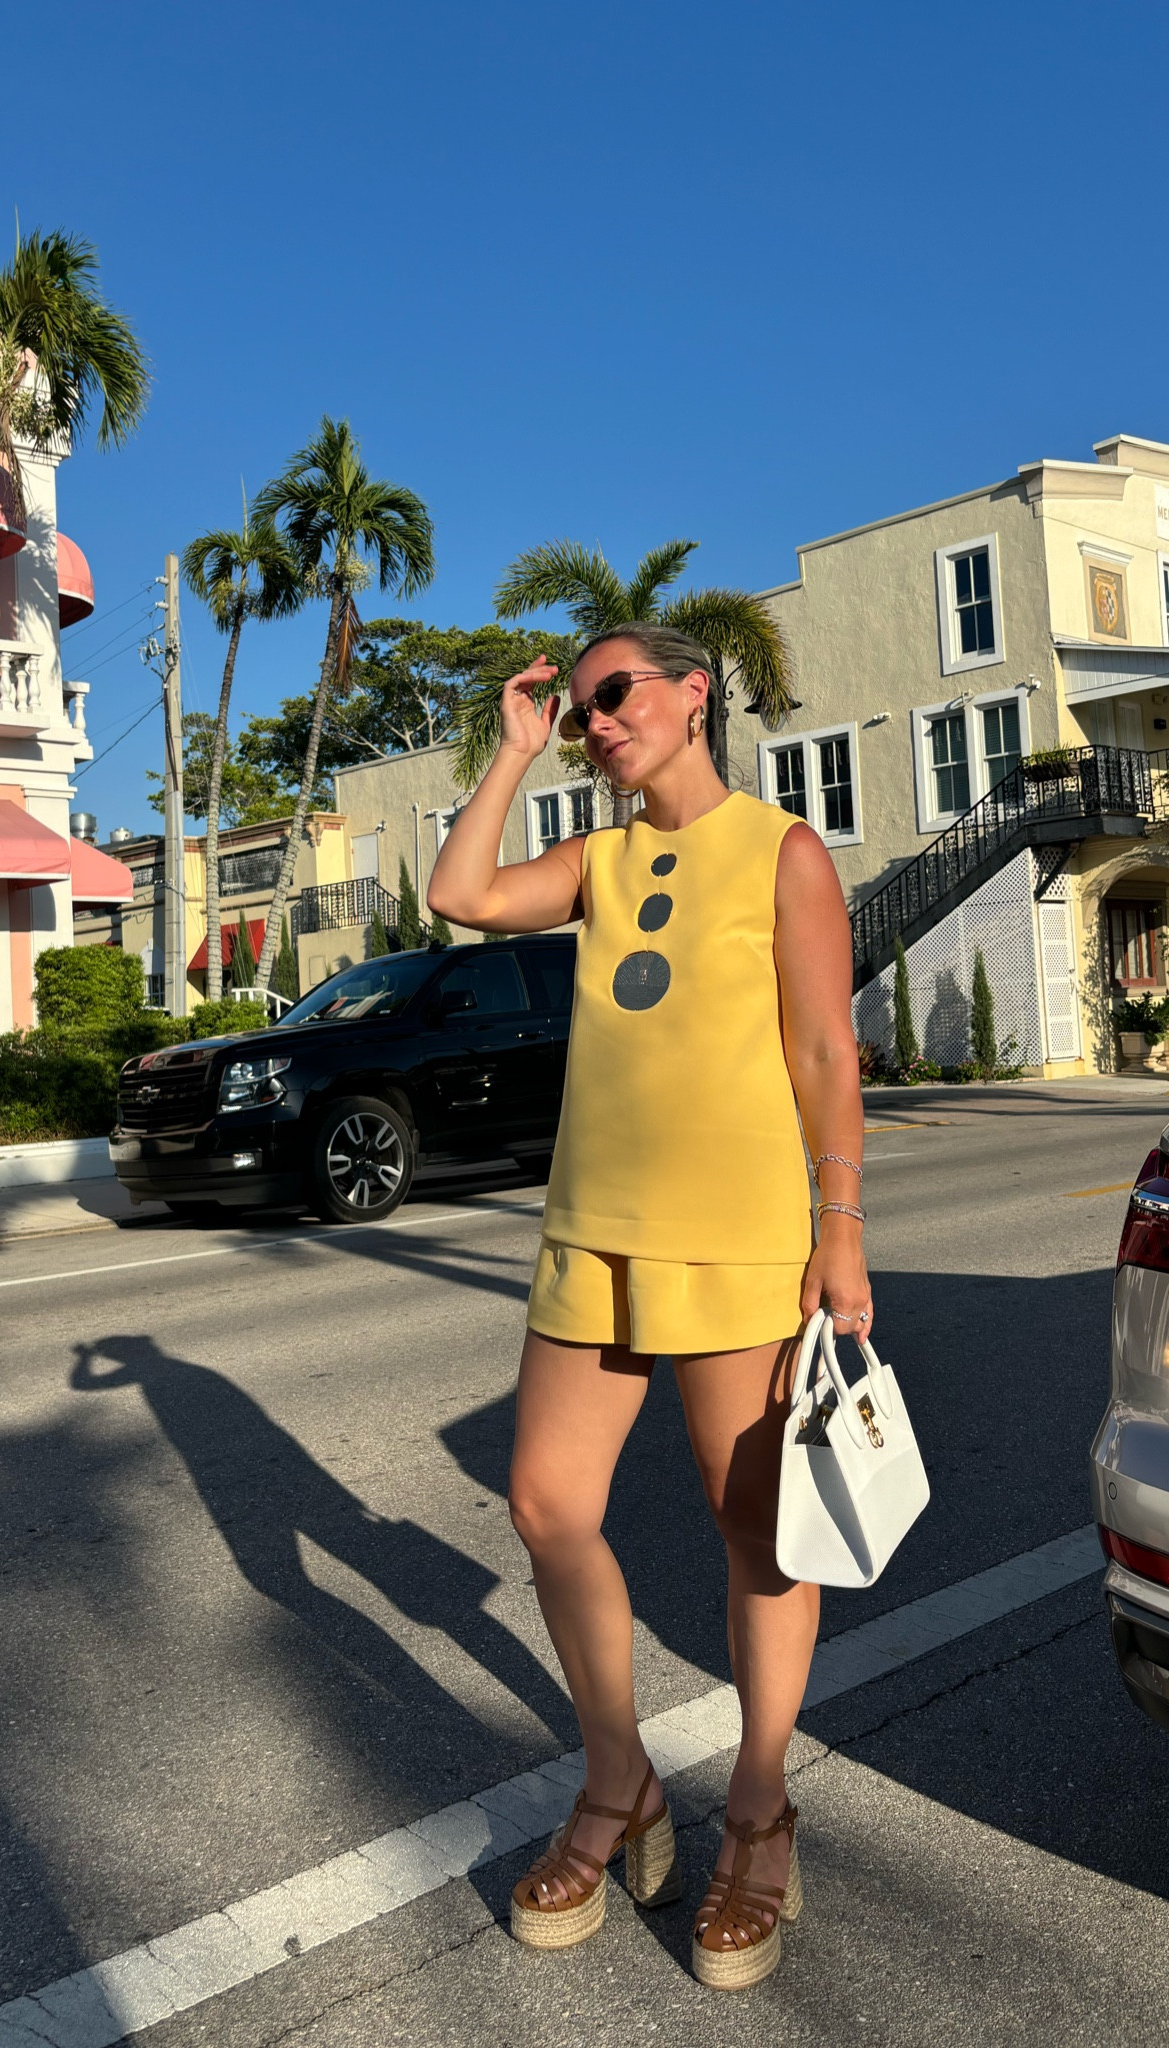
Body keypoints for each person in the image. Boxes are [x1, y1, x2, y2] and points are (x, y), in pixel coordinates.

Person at [426, 624, 869, 1991]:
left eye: (612, 695)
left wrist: (840, 1230)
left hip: (736, 1240)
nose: (594, 721)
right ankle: (616, 1780)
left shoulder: (781, 850)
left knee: (754, 1527)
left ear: (692, 694)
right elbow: (463, 895)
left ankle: (757, 1803)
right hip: (592, 1238)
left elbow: (819, 1047)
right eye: (577, 708)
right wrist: (510, 753)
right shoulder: (604, 862)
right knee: (548, 1503)